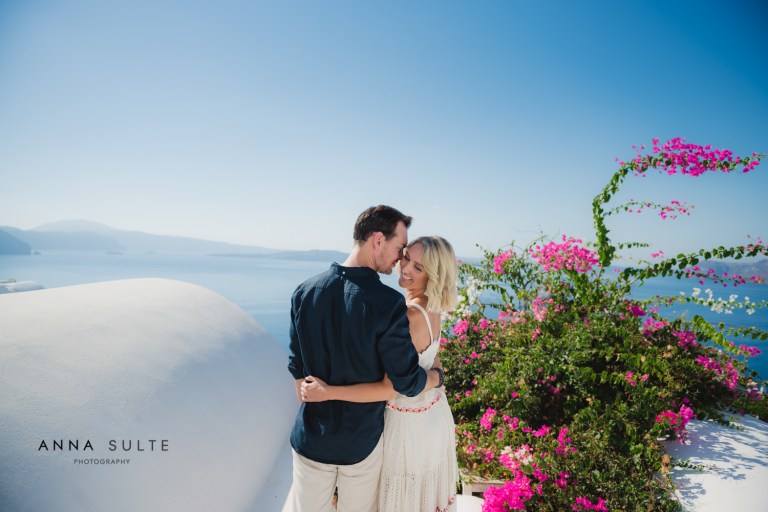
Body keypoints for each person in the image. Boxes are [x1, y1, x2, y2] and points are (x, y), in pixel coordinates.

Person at [285, 206, 443, 512]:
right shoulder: (388, 304)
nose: (400, 259)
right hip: (361, 444)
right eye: (399, 249)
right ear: (378, 240)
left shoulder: (303, 292)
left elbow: (297, 370)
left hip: (311, 440)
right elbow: (405, 381)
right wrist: (437, 377)